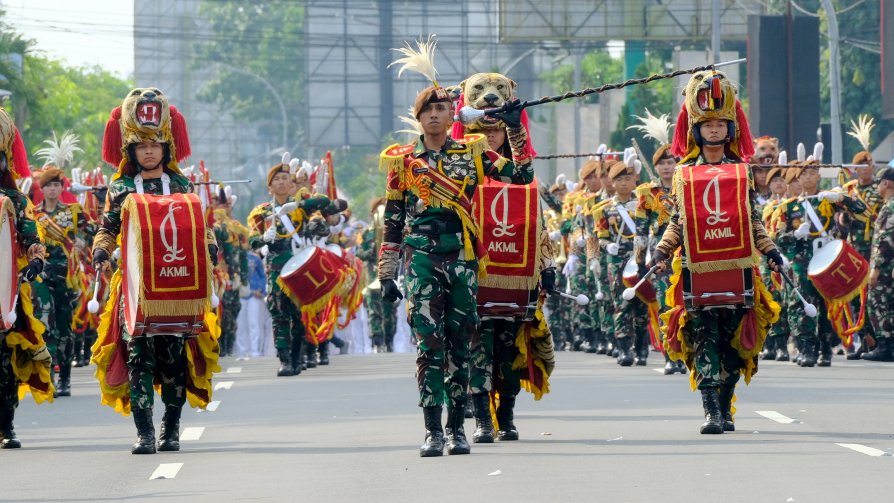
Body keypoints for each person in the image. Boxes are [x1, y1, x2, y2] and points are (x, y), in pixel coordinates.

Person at [377, 80, 533, 456]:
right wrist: (386, 272)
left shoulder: (473, 153)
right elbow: (393, 221)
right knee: (429, 345)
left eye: (441, 108)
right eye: (427, 109)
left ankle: (455, 430)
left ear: (452, 116)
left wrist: (515, 129)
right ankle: (432, 430)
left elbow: (522, 176)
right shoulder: (402, 162)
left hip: (462, 257)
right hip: (421, 260)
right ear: (418, 117)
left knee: (460, 345)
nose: (434, 114)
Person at [650, 70, 785, 434]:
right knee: (703, 340)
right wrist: (661, 251)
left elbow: (752, 220)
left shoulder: (742, 171)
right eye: (706, 124)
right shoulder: (683, 173)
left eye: (720, 124)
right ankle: (711, 411)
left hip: (739, 268)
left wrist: (772, 251)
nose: (713, 130)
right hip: (696, 271)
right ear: (696, 129)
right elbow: (677, 222)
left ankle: (726, 407)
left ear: (730, 128)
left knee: (733, 343)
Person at [91, 88, 221, 454]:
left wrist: (210, 245)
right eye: (141, 146)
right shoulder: (119, 187)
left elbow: (199, 222)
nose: (149, 151)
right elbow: (107, 228)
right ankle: (145, 432)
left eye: (156, 145)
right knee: (139, 359)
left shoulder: (180, 184)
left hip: (177, 285)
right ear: (130, 151)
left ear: (166, 148)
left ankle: (172, 427)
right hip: (134, 288)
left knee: (174, 359)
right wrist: (101, 252)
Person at [769, 155, 867, 367]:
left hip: (827, 262)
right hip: (801, 262)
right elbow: (777, 239)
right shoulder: (789, 207)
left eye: (813, 173)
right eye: (804, 174)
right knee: (801, 306)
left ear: (818, 176)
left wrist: (842, 199)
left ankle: (825, 348)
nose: (808, 177)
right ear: (797, 178)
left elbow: (861, 210)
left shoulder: (827, 200)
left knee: (826, 307)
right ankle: (806, 349)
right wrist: (794, 235)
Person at [247, 159, 339, 376]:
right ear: (269, 187)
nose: (281, 183)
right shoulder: (261, 212)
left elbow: (326, 202)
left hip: (300, 270)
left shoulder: (301, 205)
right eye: (276, 180)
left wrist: (298, 205)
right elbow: (252, 242)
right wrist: (263, 238)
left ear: (292, 183)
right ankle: (285, 360)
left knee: (299, 317)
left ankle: (297, 356)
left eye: (285, 179)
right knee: (279, 315)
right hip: (276, 271)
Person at [0, 108, 53, 449]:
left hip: (3, 296)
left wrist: (35, 259)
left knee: (3, 364)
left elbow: (31, 235)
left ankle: (6, 425)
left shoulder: (16, 201)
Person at [356, 197, 398, 353]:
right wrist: (370, 250)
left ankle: (389, 341)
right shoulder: (366, 233)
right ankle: (377, 341)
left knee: (390, 310)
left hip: (388, 275)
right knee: (374, 311)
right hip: (372, 275)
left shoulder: (393, 231)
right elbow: (359, 252)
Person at [865, 168, 894, 361]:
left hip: (885, 267)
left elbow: (886, 240)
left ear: (886, 183)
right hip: (887, 265)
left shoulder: (891, 207)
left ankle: (885, 346)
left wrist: (875, 268)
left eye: (878, 182)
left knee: (879, 302)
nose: (876, 187)